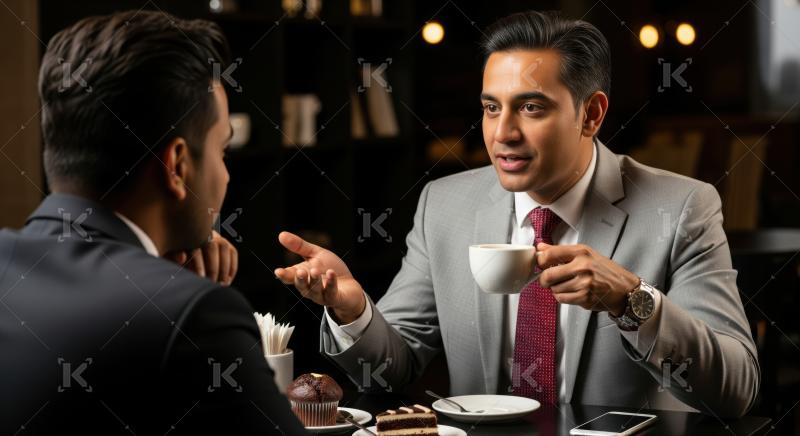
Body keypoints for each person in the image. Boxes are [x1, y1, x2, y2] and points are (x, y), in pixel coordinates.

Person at [276, 10, 759, 418]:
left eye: (530, 107)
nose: (502, 132)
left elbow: (735, 391)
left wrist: (632, 300)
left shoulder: (681, 207)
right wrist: (352, 309)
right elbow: (391, 369)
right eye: (491, 107)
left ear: (591, 115)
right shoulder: (443, 205)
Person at [0, 10, 306, 434]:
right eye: (222, 152)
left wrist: (157, 273)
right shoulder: (197, 316)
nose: (226, 174)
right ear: (178, 164)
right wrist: (180, 300)